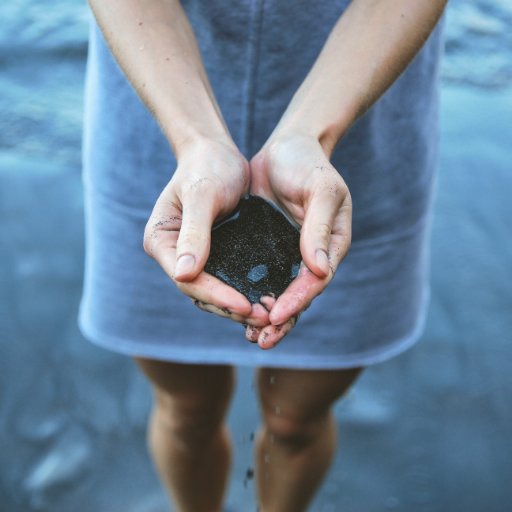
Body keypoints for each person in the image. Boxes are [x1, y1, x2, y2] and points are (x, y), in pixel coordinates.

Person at [79, 1, 447, 510]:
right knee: (186, 407)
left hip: (362, 115)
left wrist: (312, 134)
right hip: (159, 110)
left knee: (296, 420)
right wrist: (195, 141)